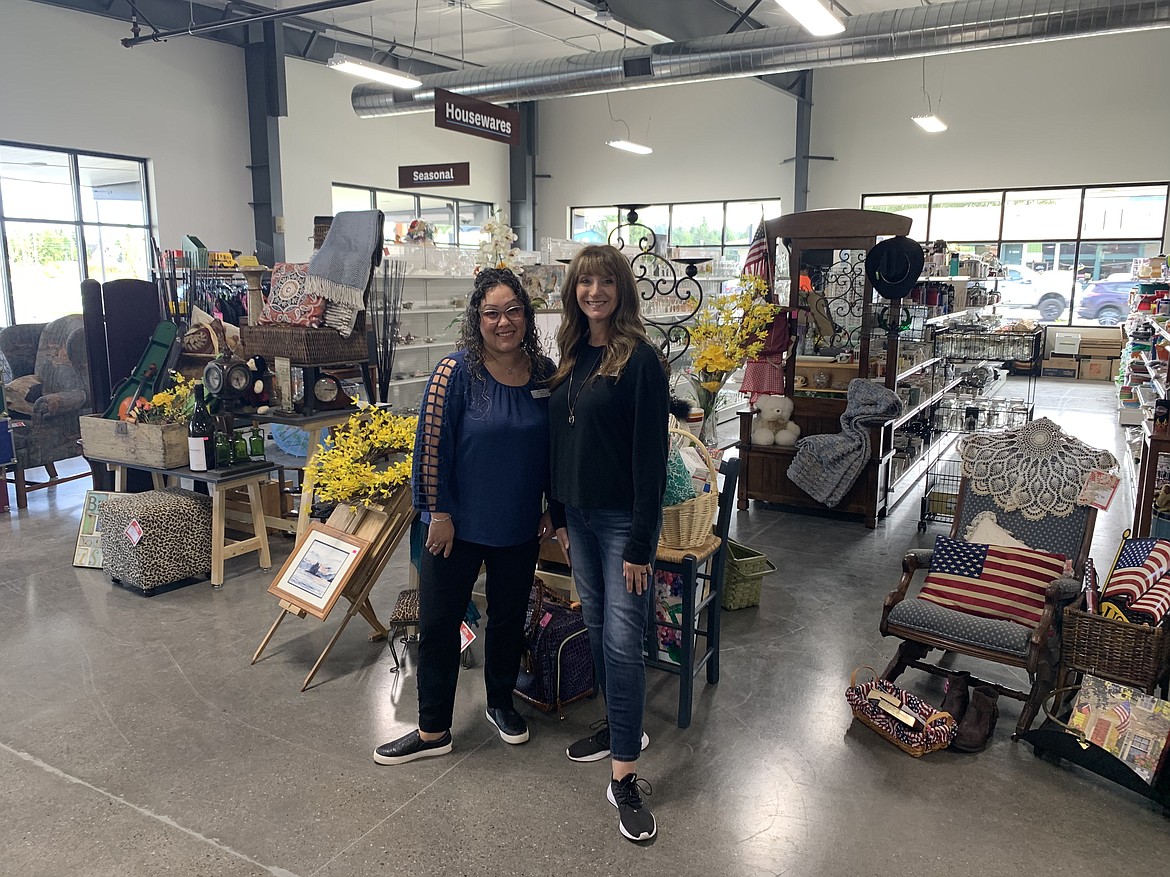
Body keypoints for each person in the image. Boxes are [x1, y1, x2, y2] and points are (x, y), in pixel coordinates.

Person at [374, 268, 555, 766]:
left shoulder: (543, 374)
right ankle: (433, 729)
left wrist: (550, 509)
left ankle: (499, 703)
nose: (503, 322)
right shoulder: (454, 373)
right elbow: (429, 448)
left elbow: (554, 450)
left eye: (513, 311)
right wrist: (437, 512)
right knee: (439, 624)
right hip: (456, 527)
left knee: (507, 621)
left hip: (518, 525)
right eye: (492, 312)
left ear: (527, 316)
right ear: (477, 319)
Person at [548, 244, 670, 842]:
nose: (593, 292)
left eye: (604, 282)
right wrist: (560, 517)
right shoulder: (570, 356)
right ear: (574, 292)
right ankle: (620, 727)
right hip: (579, 518)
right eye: (584, 282)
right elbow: (559, 446)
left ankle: (624, 776)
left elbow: (651, 460)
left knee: (623, 643)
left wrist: (642, 545)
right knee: (597, 628)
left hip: (622, 523)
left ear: (622, 289)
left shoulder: (641, 361)